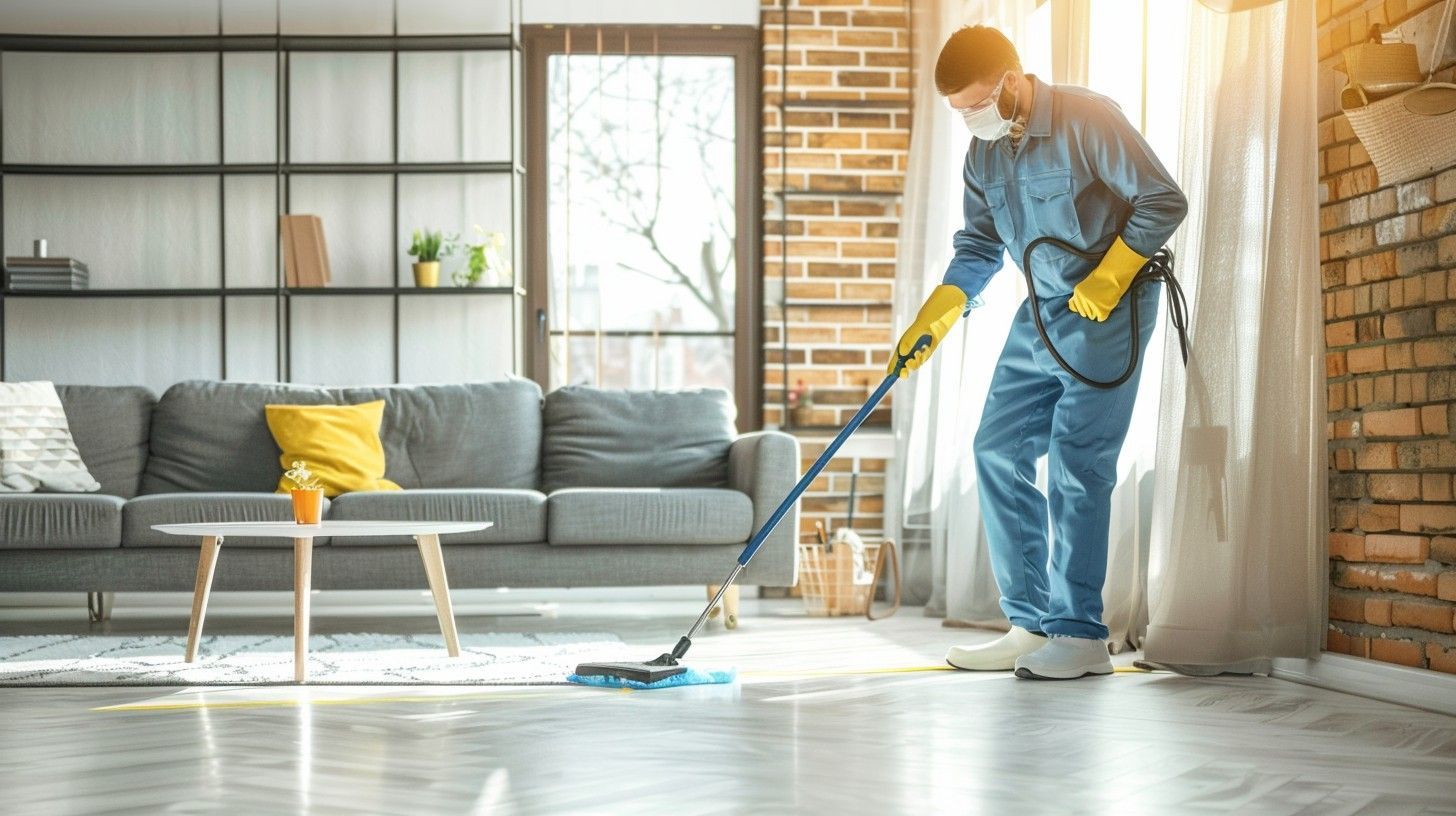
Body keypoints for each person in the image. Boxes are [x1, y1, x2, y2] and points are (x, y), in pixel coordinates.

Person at [890, 26, 1187, 680]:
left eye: (976, 103)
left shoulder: (1087, 117)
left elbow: (1163, 198)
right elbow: (978, 248)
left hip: (1110, 306)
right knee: (997, 446)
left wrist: (1109, 279)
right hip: (1041, 311)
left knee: (1080, 461)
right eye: (960, 111)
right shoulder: (984, 154)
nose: (972, 119)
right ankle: (1030, 624)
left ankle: (1080, 637)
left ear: (1012, 80)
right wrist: (936, 316)